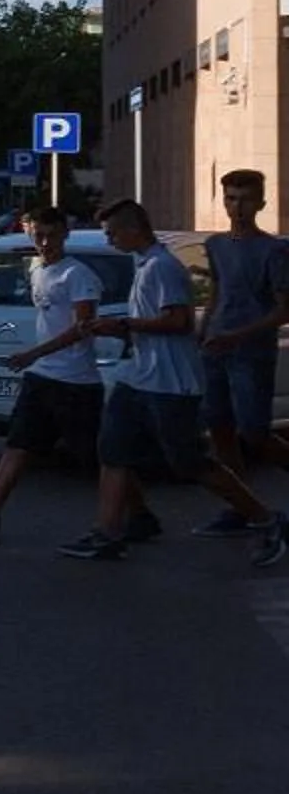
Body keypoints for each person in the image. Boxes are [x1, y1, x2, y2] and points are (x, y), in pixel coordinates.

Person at [64, 197, 287, 565]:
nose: (109, 241)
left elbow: (179, 321)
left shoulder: (162, 268)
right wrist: (120, 331)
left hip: (170, 384)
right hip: (138, 378)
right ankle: (106, 532)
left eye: (112, 233)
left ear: (133, 231)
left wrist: (124, 325)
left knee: (189, 461)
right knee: (112, 448)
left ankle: (266, 519)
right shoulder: (145, 263)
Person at [0, 203, 105, 540]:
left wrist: (34, 353)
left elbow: (83, 326)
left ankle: (133, 514)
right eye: (40, 236)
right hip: (42, 377)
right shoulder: (37, 270)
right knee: (19, 441)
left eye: (52, 236)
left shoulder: (77, 275)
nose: (45, 243)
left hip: (74, 381)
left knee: (95, 457)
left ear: (65, 235)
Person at [194, 168, 289, 529]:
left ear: (261, 202)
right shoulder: (216, 244)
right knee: (219, 427)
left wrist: (240, 334)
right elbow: (219, 290)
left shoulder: (274, 249)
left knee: (255, 433)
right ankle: (240, 506)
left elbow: (283, 309)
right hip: (216, 348)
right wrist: (205, 331)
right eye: (231, 198)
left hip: (252, 351)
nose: (238, 206)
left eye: (245, 198)